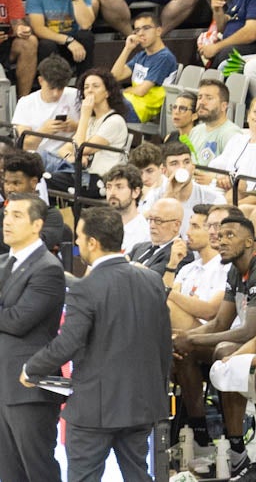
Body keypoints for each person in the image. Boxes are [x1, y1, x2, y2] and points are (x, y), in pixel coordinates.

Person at [23, 206, 172, 482]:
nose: (77, 243)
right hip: (142, 404)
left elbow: (68, 342)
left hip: (94, 409)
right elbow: (164, 344)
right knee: (139, 475)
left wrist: (32, 369)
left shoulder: (85, 287)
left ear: (93, 242)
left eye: (79, 237)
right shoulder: (152, 280)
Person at [0, 191, 67, 482]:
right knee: (9, 473)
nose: (7, 222)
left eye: (17, 215)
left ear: (37, 224)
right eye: (6, 214)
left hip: (30, 389)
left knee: (38, 471)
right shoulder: (4, 262)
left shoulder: (48, 268)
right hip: (3, 387)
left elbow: (18, 321)